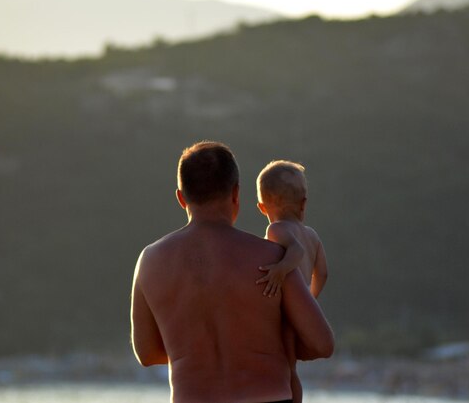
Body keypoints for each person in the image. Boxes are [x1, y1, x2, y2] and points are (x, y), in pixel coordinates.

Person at [131, 141, 334, 403]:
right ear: (236, 193)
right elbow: (322, 343)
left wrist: (193, 352)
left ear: (181, 198)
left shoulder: (150, 261)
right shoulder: (272, 258)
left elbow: (146, 353)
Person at [255, 160, 329, 403]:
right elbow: (323, 273)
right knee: (291, 367)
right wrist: (309, 300)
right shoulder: (312, 235)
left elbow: (295, 251)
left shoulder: (276, 230)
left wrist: (280, 270)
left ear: (262, 207)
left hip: (286, 314)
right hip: (300, 311)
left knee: (287, 369)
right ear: (303, 203)